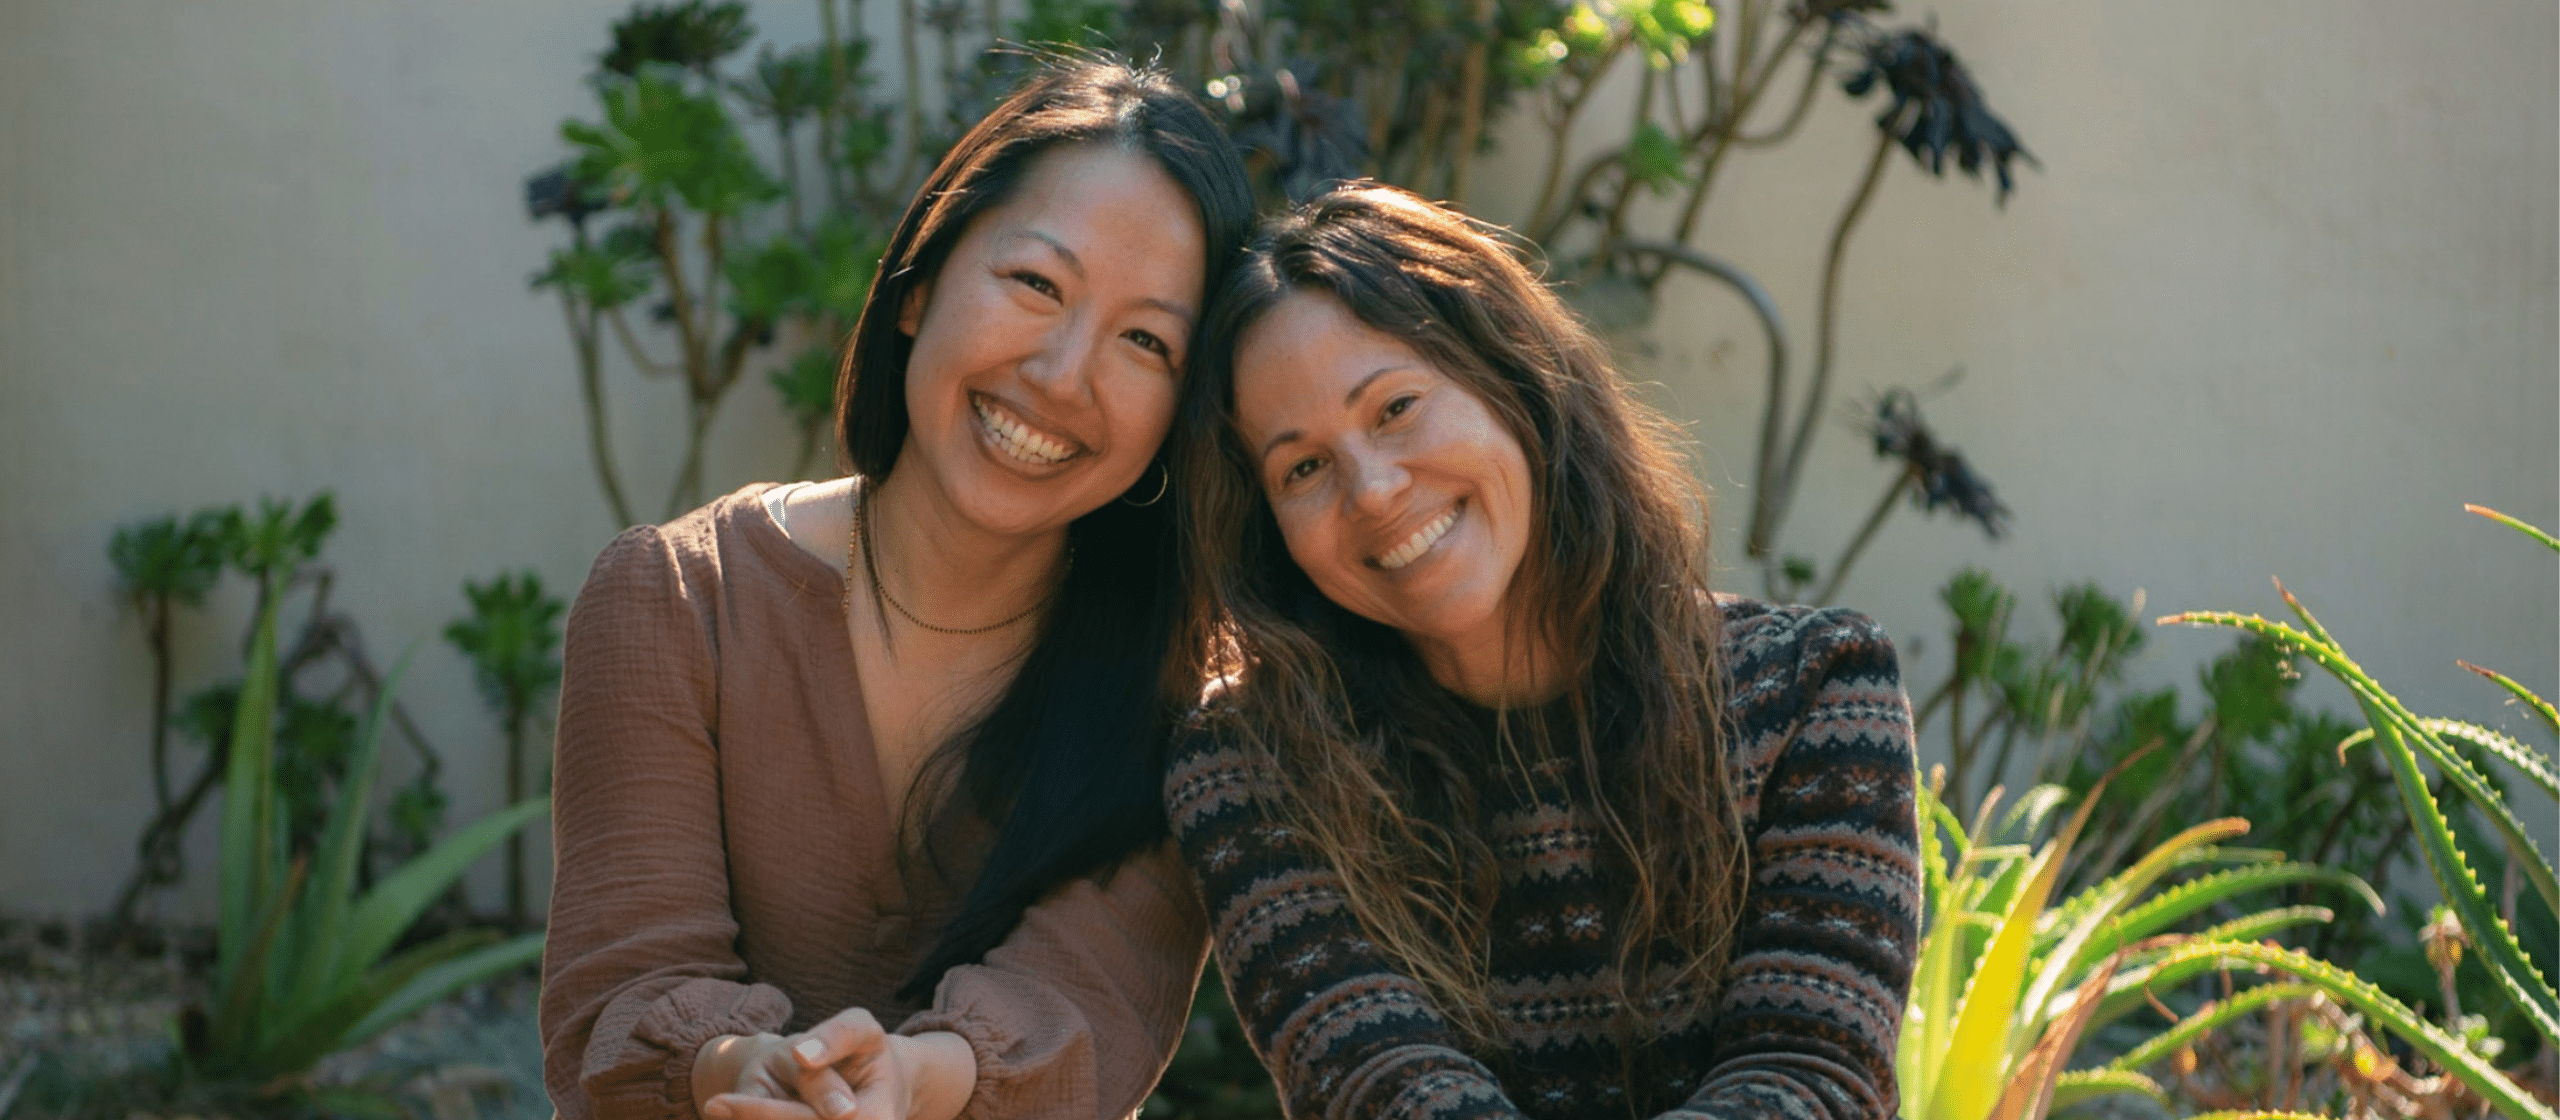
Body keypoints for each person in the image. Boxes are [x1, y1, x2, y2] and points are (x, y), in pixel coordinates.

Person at [541, 57, 1254, 1120]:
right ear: (918, 286)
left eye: (1145, 341)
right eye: (1035, 284)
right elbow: (620, 992)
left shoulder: (1184, 697)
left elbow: (1086, 1001)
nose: (1063, 374)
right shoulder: (677, 598)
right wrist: (756, 1074)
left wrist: (913, 1081)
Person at [1164, 184, 1921, 1120]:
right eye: (1303, 468)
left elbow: (1811, 1079)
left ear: (1514, 383)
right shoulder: (1253, 766)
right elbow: (1386, 1091)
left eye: (1396, 406)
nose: (1372, 489)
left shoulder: (1814, 691)